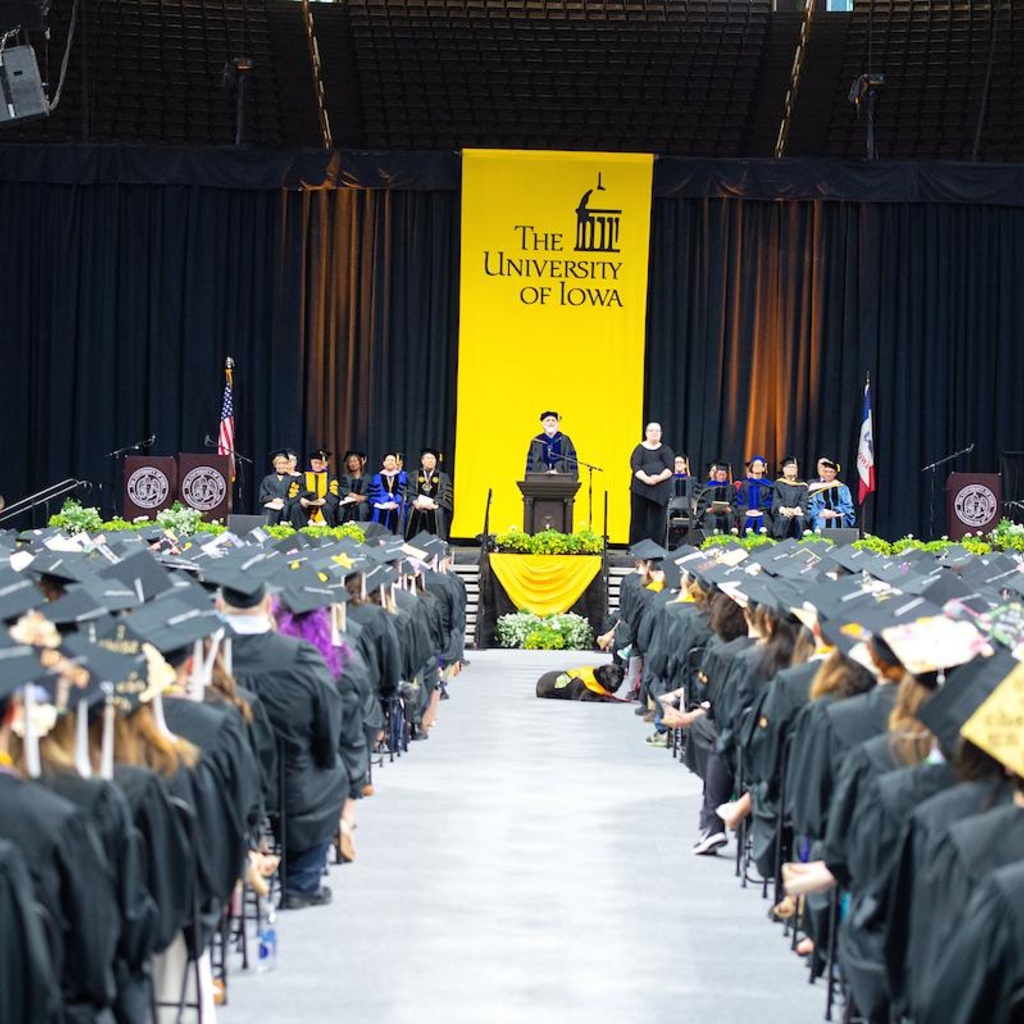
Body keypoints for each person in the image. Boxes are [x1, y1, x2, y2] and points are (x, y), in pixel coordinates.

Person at [628, 422, 674, 545]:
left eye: (657, 431)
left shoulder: (666, 450)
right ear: (646, 433)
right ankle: (636, 547)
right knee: (638, 520)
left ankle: (656, 548)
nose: (654, 433)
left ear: (661, 434)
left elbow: (670, 468)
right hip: (640, 490)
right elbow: (635, 466)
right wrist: (646, 479)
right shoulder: (639, 449)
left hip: (659, 492)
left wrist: (658, 478)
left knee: (658, 522)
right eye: (651, 430)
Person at [405, 448, 453, 540]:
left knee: (438, 512)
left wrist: (434, 503)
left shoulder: (443, 476)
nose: (430, 461)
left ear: (436, 461)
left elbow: (445, 492)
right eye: (428, 458)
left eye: (432, 458)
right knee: (412, 511)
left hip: (434, 505)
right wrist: (415, 502)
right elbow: (409, 491)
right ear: (422, 461)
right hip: (418, 505)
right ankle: (411, 541)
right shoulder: (413, 475)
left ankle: (438, 542)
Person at [288, 449, 341, 528]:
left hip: (323, 503)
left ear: (324, 464)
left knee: (328, 508)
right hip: (307, 504)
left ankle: (328, 531)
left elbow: (334, 491)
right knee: (296, 507)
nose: (318, 465)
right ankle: (301, 531)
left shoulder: (330, 477)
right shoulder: (304, 476)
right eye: (315, 463)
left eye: (320, 463)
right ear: (311, 462)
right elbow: (295, 491)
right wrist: (301, 499)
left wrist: (325, 500)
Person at [525, 411, 578, 476]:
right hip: (541, 479)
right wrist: (544, 470)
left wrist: (558, 469)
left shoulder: (565, 440)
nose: (551, 423)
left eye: (553, 420)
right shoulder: (536, 441)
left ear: (557, 423)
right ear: (543, 423)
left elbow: (571, 461)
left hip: (562, 478)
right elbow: (532, 463)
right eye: (547, 420)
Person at [808, 457, 855, 531]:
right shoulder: (816, 487)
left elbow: (847, 504)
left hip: (838, 514)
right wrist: (820, 512)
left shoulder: (842, 488)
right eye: (826, 472)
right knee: (820, 522)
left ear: (835, 473)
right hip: (822, 515)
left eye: (831, 472)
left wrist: (835, 511)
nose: (828, 474)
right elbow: (813, 505)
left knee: (836, 522)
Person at [734, 455, 774, 535]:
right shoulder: (745, 484)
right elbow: (740, 500)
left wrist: (759, 510)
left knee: (764, 521)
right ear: (751, 468)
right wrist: (747, 510)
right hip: (746, 512)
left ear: (764, 468)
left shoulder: (768, 485)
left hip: (763, 512)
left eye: (759, 465)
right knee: (746, 520)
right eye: (755, 465)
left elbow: (770, 500)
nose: (757, 467)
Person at [771, 455, 810, 538]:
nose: (791, 469)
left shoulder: (802, 485)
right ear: (783, 469)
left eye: (793, 467)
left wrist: (796, 510)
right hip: (782, 512)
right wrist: (784, 510)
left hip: (797, 512)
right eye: (788, 467)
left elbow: (803, 501)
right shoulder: (778, 484)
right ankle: (780, 542)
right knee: (782, 519)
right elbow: (776, 499)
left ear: (796, 470)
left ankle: (800, 543)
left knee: (800, 520)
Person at [368, 453, 406, 534]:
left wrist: (395, 502)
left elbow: (402, 492)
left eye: (392, 460)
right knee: (377, 511)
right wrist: (386, 501)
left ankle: (398, 538)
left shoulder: (402, 477)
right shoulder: (377, 477)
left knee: (400, 511)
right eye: (388, 460)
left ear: (396, 463)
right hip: (381, 504)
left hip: (397, 505)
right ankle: (378, 538)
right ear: (384, 463)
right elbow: (375, 493)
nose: (390, 462)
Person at [696, 461, 736, 533]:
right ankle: (711, 538)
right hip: (711, 512)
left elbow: (735, 501)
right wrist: (707, 509)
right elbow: (702, 501)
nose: (721, 476)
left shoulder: (731, 488)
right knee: (711, 518)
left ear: (726, 475)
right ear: (715, 475)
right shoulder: (708, 487)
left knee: (730, 517)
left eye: (723, 475)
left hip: (726, 512)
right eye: (720, 474)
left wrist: (731, 509)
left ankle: (728, 538)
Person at [259, 450, 295, 525]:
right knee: (268, 513)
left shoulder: (292, 479)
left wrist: (283, 500)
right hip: (271, 507)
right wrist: (273, 499)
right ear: (275, 465)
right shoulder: (268, 479)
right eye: (279, 463)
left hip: (287, 507)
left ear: (287, 465)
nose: (281, 466)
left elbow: (294, 495)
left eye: (284, 463)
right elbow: (262, 496)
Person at [338, 451, 371, 524]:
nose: (353, 463)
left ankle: (361, 528)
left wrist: (364, 497)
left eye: (355, 461)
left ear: (360, 462)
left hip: (362, 502)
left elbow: (371, 492)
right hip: (347, 501)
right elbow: (342, 489)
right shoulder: (345, 477)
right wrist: (351, 494)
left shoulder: (368, 478)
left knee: (363, 508)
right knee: (342, 509)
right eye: (350, 462)